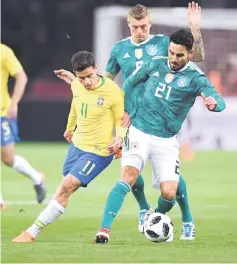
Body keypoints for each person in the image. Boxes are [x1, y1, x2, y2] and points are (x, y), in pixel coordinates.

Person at [54, 2, 204, 239]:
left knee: (168, 172)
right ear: (129, 25)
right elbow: (103, 82)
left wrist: (194, 29)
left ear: (150, 24)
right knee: (129, 168)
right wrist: (78, 81)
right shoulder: (119, 49)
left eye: (144, 26)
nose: (140, 31)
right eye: (136, 27)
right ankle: (144, 208)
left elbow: (197, 57)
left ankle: (187, 217)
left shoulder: (164, 44)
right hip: (129, 117)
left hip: (161, 117)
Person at [94, 29, 226, 244]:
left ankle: (154, 216)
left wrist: (213, 104)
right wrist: (126, 109)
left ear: (190, 54)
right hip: (139, 130)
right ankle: (104, 230)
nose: (173, 59)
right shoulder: (156, 62)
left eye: (179, 55)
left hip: (166, 139)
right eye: (171, 53)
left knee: (169, 193)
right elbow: (129, 83)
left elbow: (219, 101)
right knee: (128, 175)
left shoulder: (195, 78)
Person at [12, 50, 127, 243]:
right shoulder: (77, 85)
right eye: (82, 78)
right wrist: (69, 127)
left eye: (90, 76)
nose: (87, 82)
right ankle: (35, 229)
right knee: (63, 190)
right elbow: (76, 104)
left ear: (96, 69)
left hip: (99, 152)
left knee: (67, 186)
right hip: (77, 146)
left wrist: (120, 139)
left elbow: (120, 118)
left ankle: (31, 232)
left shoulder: (113, 91)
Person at [0, 43, 46, 209]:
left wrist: (14, 104)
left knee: (8, 158)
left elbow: (21, 77)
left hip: (2, 113)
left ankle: (37, 178)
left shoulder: (3, 51)